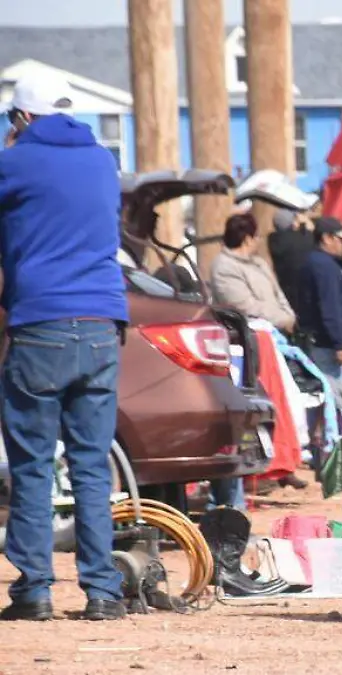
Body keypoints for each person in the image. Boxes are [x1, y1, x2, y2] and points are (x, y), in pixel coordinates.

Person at [0, 74, 127, 620]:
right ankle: (102, 592)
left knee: (31, 466)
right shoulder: (102, 161)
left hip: (41, 326)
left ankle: (35, 591)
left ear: (23, 119)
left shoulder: (15, 163)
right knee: (92, 467)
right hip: (102, 324)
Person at [210, 213, 297, 333]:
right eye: (256, 236)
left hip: (279, 331)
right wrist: (282, 319)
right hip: (251, 336)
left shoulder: (259, 263)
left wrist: (289, 317)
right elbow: (245, 306)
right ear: (247, 240)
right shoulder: (224, 267)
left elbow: (278, 293)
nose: (258, 240)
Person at [295, 216, 342, 385]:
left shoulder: (318, 262)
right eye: (341, 240)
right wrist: (339, 344)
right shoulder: (324, 265)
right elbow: (330, 306)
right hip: (327, 345)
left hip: (322, 342)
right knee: (338, 395)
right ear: (326, 238)